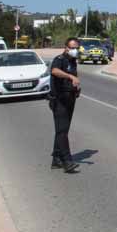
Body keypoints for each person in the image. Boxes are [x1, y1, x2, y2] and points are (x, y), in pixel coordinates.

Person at [48, 37, 83, 173]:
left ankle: (56, 159)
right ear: (66, 47)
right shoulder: (59, 59)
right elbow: (54, 71)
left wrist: (76, 88)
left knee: (63, 130)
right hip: (59, 100)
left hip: (70, 99)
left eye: (77, 48)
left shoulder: (72, 61)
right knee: (62, 131)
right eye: (72, 47)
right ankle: (67, 161)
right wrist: (70, 77)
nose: (75, 50)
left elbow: (74, 76)